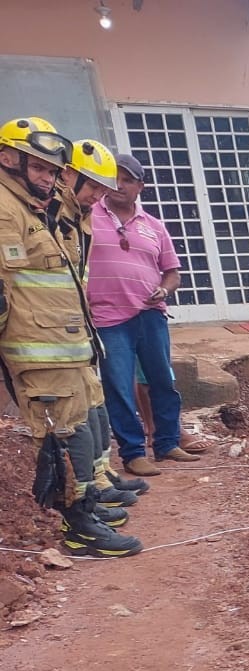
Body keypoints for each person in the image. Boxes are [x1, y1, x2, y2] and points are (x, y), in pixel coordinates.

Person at [0, 116, 141, 557]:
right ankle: (77, 529)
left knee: (81, 427)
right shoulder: (7, 210)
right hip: (38, 353)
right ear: (8, 159)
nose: (48, 177)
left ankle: (87, 508)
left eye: (51, 169)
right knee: (62, 438)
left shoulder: (34, 209)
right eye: (39, 168)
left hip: (64, 346)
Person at [87, 151, 195, 477]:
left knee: (162, 381)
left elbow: (172, 273)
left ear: (140, 186)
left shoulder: (154, 227)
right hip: (108, 318)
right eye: (114, 178)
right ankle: (133, 453)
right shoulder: (87, 216)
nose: (119, 185)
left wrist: (164, 289)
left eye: (127, 180)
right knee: (119, 385)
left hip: (150, 315)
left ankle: (166, 443)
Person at [54, 137, 148, 512]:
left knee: (94, 404)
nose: (99, 195)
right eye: (93, 186)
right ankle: (81, 509)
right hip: (49, 336)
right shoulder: (44, 215)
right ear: (70, 175)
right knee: (72, 413)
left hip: (78, 330)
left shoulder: (77, 218)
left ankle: (99, 479)